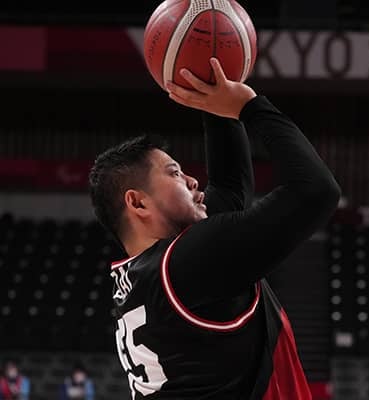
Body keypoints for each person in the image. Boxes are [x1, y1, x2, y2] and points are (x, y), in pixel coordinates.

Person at [88, 58, 340, 399]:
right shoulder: (187, 264)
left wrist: (214, 101)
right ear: (138, 203)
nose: (193, 180)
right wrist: (250, 106)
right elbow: (315, 190)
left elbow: (230, 190)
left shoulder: (149, 273)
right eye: (174, 173)